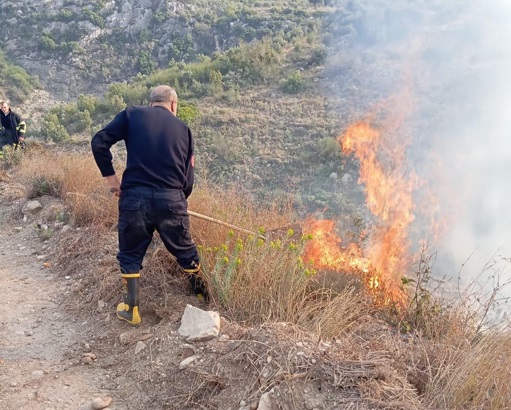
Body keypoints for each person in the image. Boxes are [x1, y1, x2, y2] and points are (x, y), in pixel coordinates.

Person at [91, 85, 207, 325]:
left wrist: (113, 181)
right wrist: (177, 202)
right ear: (174, 105)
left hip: (135, 199)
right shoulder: (184, 130)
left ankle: (131, 309)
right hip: (171, 200)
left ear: (151, 102)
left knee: (131, 253)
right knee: (185, 251)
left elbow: (99, 142)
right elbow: (188, 179)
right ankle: (202, 296)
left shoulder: (132, 115)